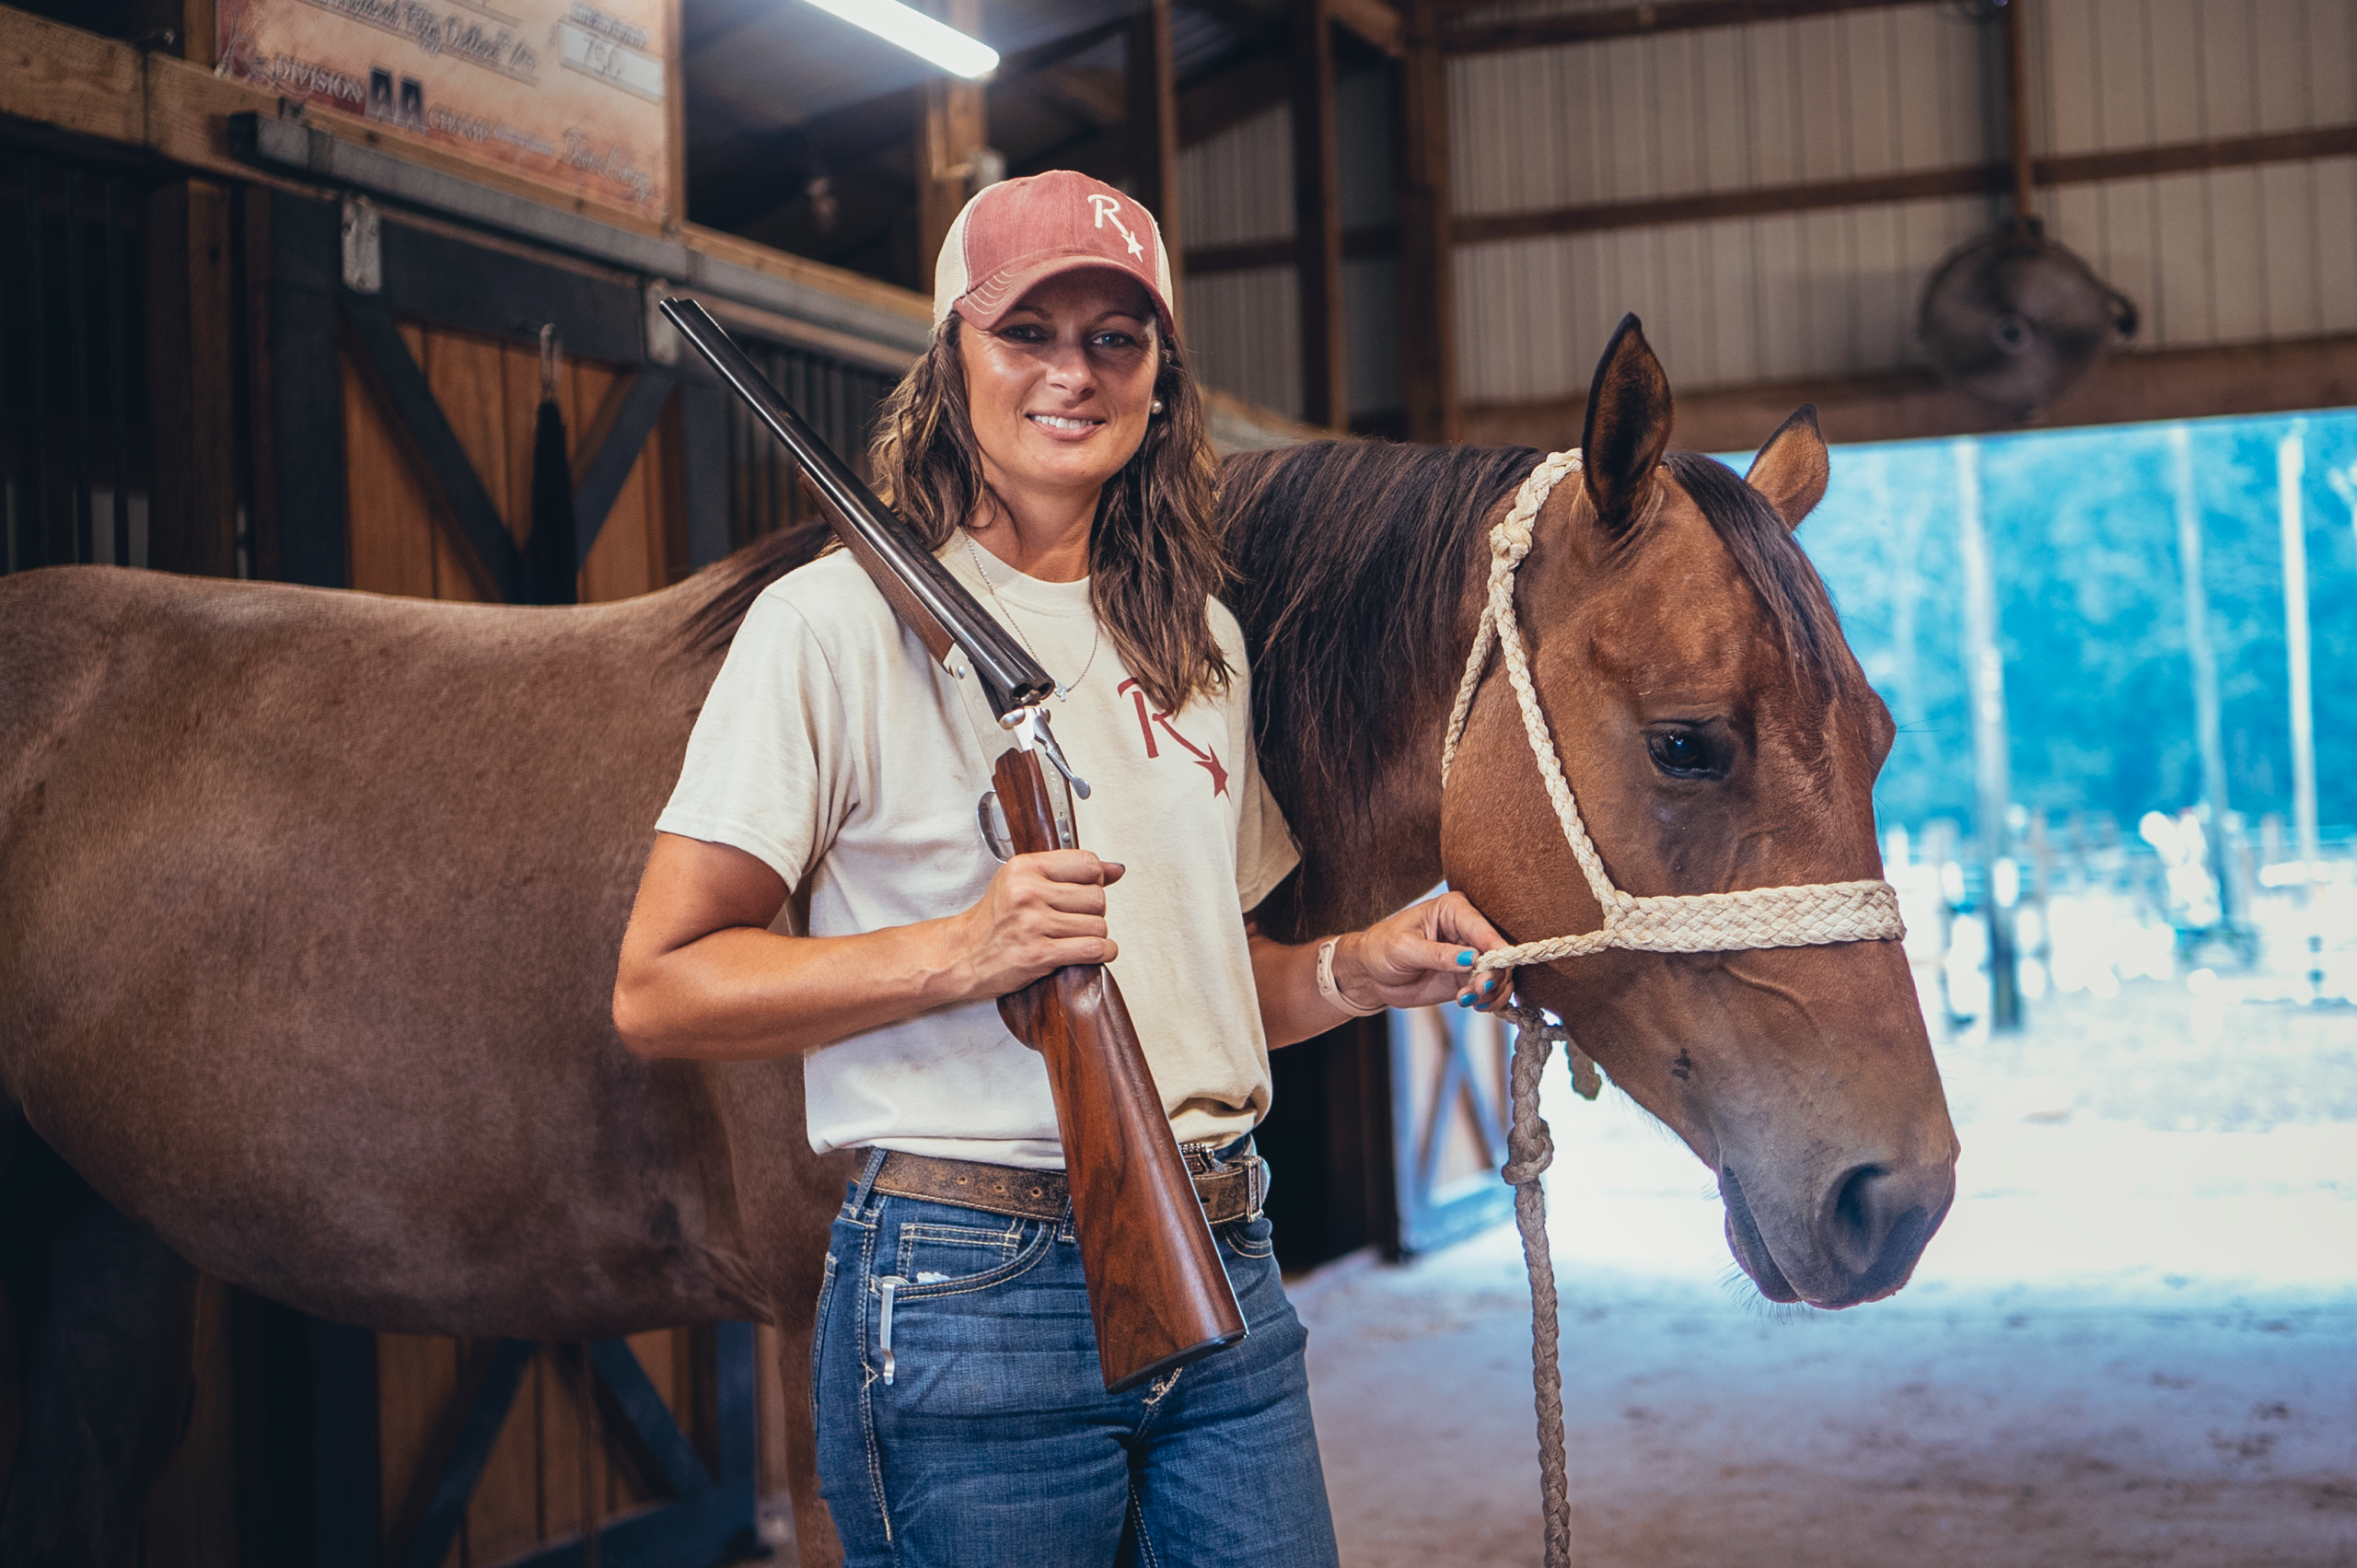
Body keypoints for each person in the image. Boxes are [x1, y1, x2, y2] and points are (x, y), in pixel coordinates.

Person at [611, 169, 1508, 1568]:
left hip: (1226, 1261)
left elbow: (1200, 989)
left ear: (1160, 379)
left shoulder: (1199, 641)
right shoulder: (829, 627)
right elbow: (661, 988)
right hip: (967, 1290)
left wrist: (1353, 967)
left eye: (1115, 338)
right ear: (950, 360)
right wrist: (964, 950)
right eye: (1026, 331)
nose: (1071, 373)